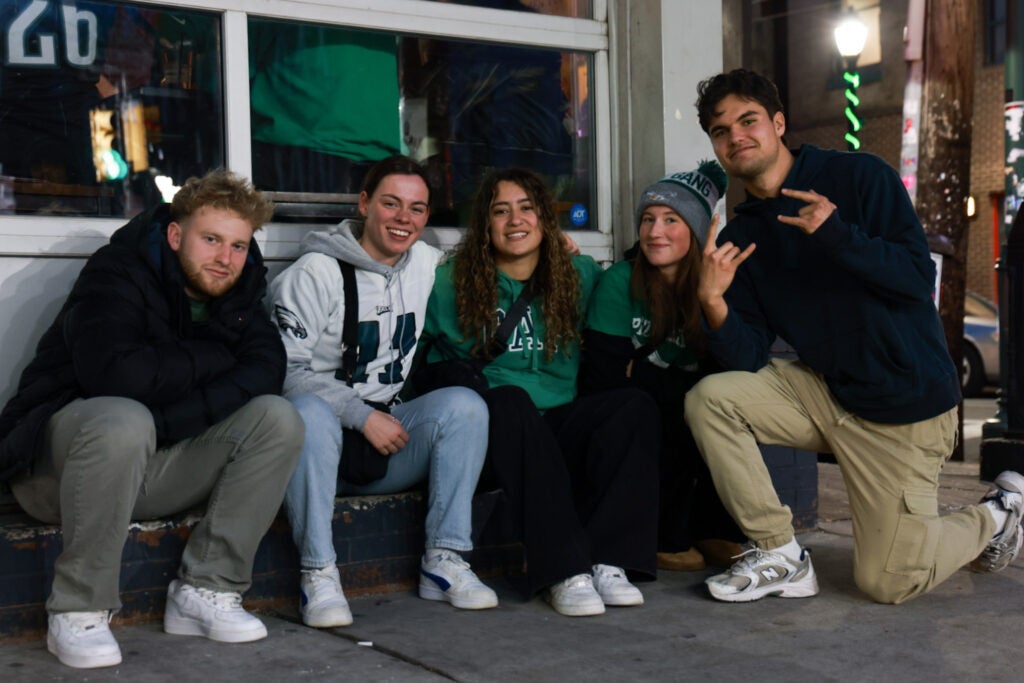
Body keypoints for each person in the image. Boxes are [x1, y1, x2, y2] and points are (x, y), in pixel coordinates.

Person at [686, 68, 1024, 605]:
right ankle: (781, 553)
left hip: (905, 409)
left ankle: (996, 514)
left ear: (778, 123)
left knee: (888, 583)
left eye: (748, 120)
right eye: (721, 131)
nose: (736, 137)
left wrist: (838, 235)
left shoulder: (860, 177)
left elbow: (917, 277)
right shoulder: (743, 234)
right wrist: (713, 302)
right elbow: (747, 357)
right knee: (710, 399)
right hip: (829, 395)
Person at [0, 169, 304, 669]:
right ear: (175, 233)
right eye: (211, 239)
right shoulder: (116, 273)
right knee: (124, 418)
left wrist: (164, 421)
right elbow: (120, 377)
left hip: (147, 466)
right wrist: (214, 355)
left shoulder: (241, 289)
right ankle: (79, 607)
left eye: (238, 245)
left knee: (278, 418)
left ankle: (207, 589)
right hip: (52, 474)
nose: (225, 258)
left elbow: (267, 371)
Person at [419, 167, 660, 617]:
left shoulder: (579, 274)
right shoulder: (449, 283)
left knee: (631, 405)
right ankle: (562, 570)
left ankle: (608, 560)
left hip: (554, 428)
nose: (515, 221)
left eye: (527, 208)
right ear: (485, 225)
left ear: (546, 219)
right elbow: (427, 366)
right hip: (493, 433)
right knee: (511, 401)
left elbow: (645, 273)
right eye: (500, 210)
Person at [268, 155, 496, 629]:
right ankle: (319, 573)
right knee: (305, 411)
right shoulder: (314, 272)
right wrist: (358, 413)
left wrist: (555, 242)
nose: (403, 219)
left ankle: (445, 560)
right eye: (391, 204)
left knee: (465, 406)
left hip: (387, 441)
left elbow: (493, 255)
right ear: (364, 203)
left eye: (416, 209)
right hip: (316, 448)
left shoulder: (426, 263)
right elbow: (282, 371)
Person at [582, 162, 744, 573]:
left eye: (671, 220)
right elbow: (605, 374)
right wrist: (661, 382)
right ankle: (664, 534)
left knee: (720, 406)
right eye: (648, 219)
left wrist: (651, 375)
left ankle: (714, 527)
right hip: (635, 414)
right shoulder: (622, 280)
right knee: (662, 411)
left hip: (686, 401)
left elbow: (733, 365)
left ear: (696, 229)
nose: (655, 232)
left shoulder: (717, 282)